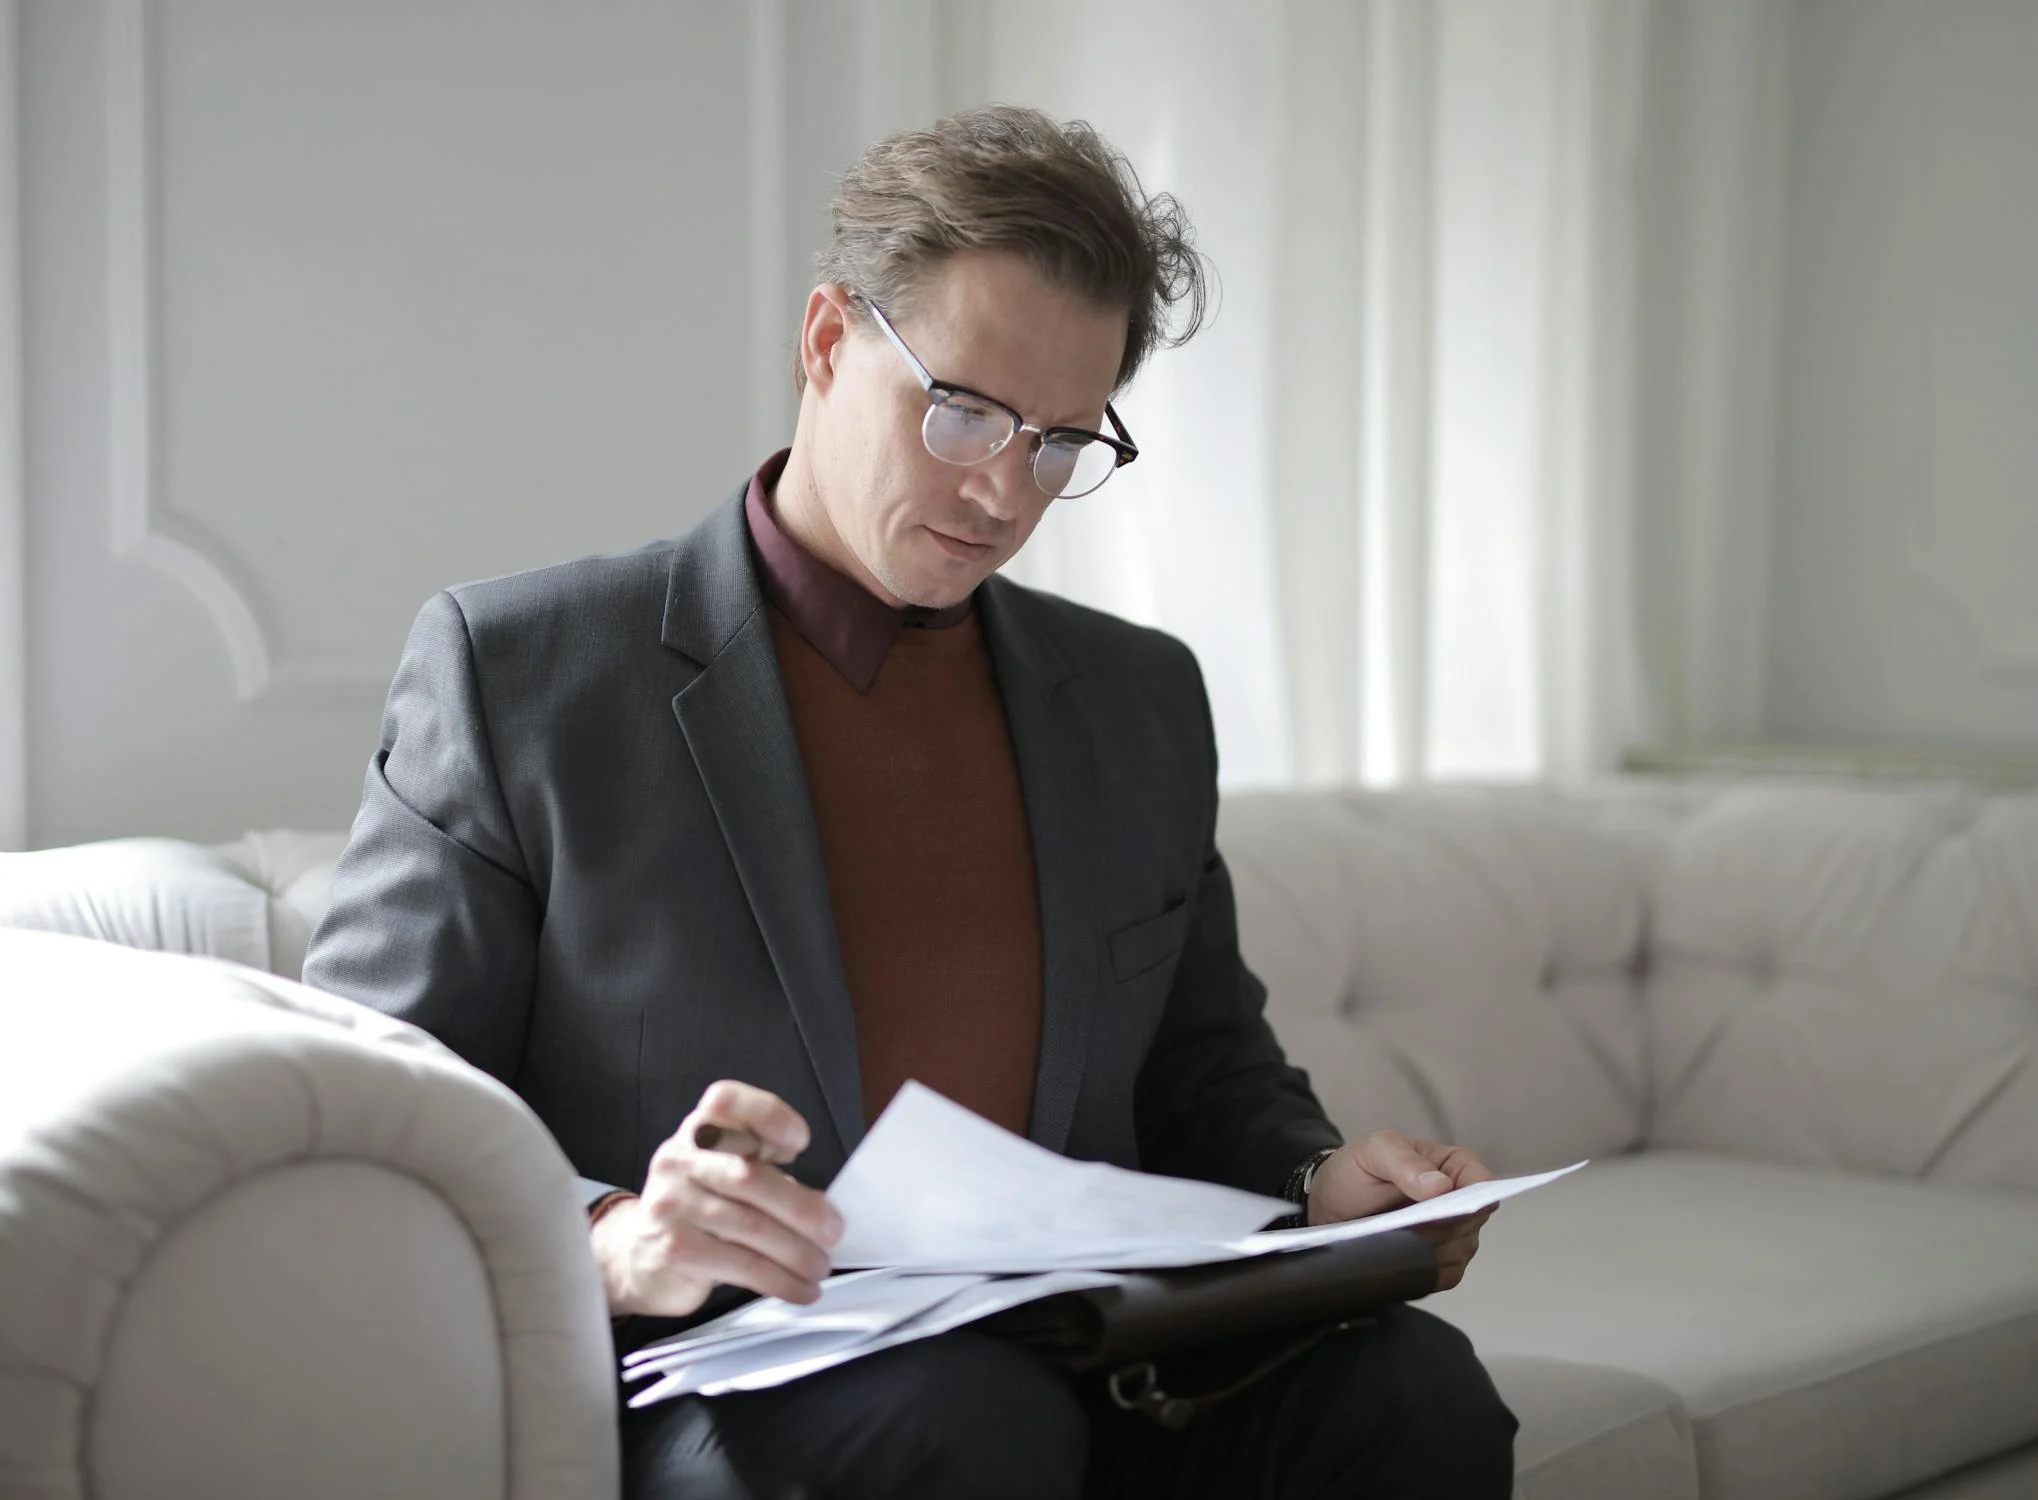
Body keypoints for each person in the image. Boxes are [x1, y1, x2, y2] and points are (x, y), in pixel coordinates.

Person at [304, 103, 1516, 1499]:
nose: (1003, 490)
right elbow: (378, 1123)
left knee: (1410, 1392)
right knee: (955, 1424)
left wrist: (1320, 1194)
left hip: (1084, 1346)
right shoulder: (522, 675)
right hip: (732, 1371)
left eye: (1063, 443)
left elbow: (1197, 1067)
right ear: (827, 342)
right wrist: (621, 1236)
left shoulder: (1135, 699)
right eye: (962, 412)